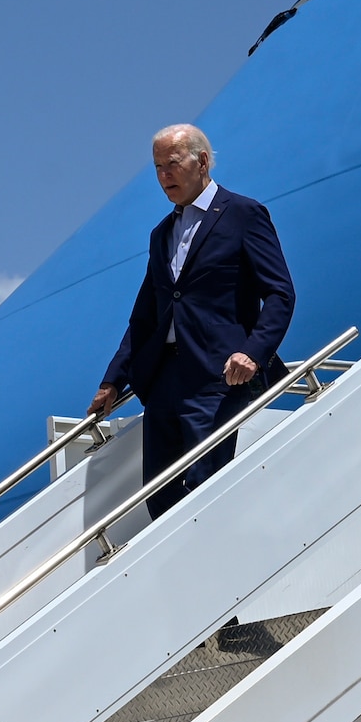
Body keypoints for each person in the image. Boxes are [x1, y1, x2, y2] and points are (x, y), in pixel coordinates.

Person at [88, 124, 296, 518]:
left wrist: (253, 352)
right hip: (165, 380)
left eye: (172, 164)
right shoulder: (161, 233)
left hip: (217, 376)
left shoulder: (243, 214)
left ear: (201, 162)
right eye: (157, 167)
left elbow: (281, 294)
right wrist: (113, 380)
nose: (164, 175)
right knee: (160, 497)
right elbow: (146, 314)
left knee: (206, 488)